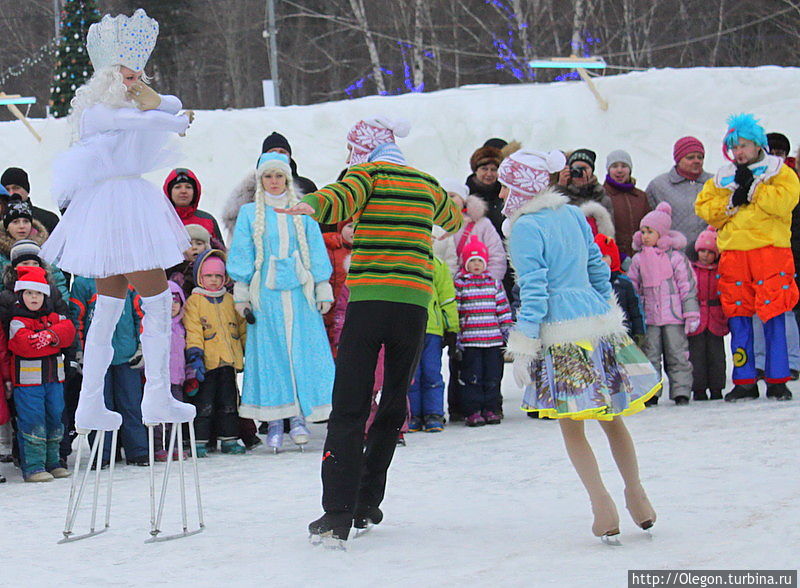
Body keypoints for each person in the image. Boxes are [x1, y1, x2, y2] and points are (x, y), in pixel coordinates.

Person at [278, 116, 462, 544]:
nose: (349, 157)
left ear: (364, 148)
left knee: (350, 404)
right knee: (393, 404)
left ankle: (338, 512)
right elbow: (452, 218)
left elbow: (343, 195)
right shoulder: (426, 182)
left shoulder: (370, 173)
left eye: (351, 149)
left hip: (371, 302)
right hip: (414, 307)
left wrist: (315, 205)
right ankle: (366, 504)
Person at [40, 9, 197, 439]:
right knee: (156, 299)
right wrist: (168, 115)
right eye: (128, 74)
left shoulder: (118, 105)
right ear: (110, 74)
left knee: (109, 307)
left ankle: (95, 401)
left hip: (120, 203)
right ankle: (153, 395)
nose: (134, 81)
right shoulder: (98, 113)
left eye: (137, 74)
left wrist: (155, 100)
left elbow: (167, 108)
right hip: (119, 206)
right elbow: (152, 118)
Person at [505, 147, 660, 543]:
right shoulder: (573, 214)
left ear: (521, 187)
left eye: (507, 188)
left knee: (573, 426)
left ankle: (601, 505)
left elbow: (534, 290)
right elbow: (597, 267)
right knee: (611, 417)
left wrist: (523, 343)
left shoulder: (525, 227)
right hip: (596, 324)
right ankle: (637, 494)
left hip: (562, 331)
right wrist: (604, 309)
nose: (503, 197)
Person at [227, 152, 334, 453]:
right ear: (260, 181)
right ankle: (276, 421)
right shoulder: (249, 213)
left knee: (301, 353)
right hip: (267, 295)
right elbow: (242, 252)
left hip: (300, 293)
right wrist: (242, 291)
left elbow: (314, 248)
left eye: (279, 177)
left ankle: (299, 418)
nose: (274, 182)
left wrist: (322, 285)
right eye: (268, 177)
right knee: (272, 356)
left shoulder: (302, 211)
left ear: (287, 180)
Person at [695, 113, 800, 402]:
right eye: (734, 146)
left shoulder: (779, 172)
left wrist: (753, 188)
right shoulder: (723, 176)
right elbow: (705, 208)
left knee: (774, 313)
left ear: (757, 145)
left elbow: (784, 203)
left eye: (744, 145)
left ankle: (778, 378)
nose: (739, 151)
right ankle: (744, 379)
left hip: (771, 253)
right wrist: (732, 199)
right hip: (734, 255)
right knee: (738, 316)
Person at [4, 266, 75, 482]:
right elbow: (24, 345)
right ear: (20, 295)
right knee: (33, 421)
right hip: (27, 384)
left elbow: (69, 332)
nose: (33, 298)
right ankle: (34, 467)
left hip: (54, 379)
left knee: (55, 419)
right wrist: (54, 339)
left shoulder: (55, 316)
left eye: (38, 293)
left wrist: (48, 336)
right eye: (28, 293)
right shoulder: (17, 321)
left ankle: (53, 463)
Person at [69, 276, 149, 466]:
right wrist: (79, 350)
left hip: (126, 355)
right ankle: (102, 454)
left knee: (131, 404)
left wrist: (142, 345)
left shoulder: (130, 278)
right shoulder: (83, 282)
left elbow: (141, 313)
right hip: (97, 358)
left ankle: (138, 451)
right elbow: (77, 317)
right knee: (100, 404)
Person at [628, 203, 699, 405]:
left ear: (662, 233)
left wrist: (691, 313)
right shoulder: (638, 260)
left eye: (650, 231)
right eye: (643, 231)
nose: (645, 236)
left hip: (673, 316)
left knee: (678, 354)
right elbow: (633, 287)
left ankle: (681, 391)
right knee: (650, 354)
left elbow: (688, 286)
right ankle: (651, 392)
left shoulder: (676, 258)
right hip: (650, 317)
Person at [183, 249, 246, 457]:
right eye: (209, 276)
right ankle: (200, 441)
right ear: (200, 277)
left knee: (229, 402)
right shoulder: (195, 301)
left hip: (228, 360)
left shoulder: (230, 300)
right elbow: (193, 329)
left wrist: (247, 350)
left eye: (218, 276)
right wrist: (195, 354)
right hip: (207, 362)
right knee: (204, 403)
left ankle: (229, 439)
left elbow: (240, 326)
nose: (213, 280)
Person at [454, 236, 512, 426]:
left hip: (493, 341)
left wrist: (507, 333)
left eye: (480, 260)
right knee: (472, 377)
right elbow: (458, 312)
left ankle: (491, 408)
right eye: (472, 261)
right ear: (466, 263)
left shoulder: (493, 283)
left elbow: (503, 310)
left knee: (493, 376)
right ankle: (472, 410)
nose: (477, 265)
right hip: (471, 341)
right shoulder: (461, 283)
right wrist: (457, 337)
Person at [222, 131, 319, 237]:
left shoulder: (306, 186)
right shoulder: (249, 189)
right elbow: (236, 224)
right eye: (272, 151)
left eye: (282, 152)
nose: (277, 155)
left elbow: (318, 221)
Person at [407, 256, 458, 433]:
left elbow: (446, 297)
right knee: (412, 375)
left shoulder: (436, 263)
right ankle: (413, 414)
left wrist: (451, 327)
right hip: (408, 328)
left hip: (432, 328)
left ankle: (434, 413)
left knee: (431, 371)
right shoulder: (402, 260)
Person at [646, 137, 713, 258]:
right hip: (670, 258)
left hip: (706, 259)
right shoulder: (659, 185)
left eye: (700, 157)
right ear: (678, 159)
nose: (697, 161)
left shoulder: (714, 184)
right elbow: (647, 223)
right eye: (690, 157)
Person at [688, 226, 728, 401]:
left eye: (710, 252)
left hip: (715, 318)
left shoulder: (721, 271)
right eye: (702, 251)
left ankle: (717, 387)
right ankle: (699, 388)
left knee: (716, 355)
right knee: (696, 355)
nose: (705, 255)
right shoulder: (691, 270)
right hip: (697, 317)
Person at [594, 234, 645, 341]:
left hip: (625, 334)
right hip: (602, 335)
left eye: (604, 256)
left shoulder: (624, 284)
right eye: (597, 257)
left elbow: (634, 309)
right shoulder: (591, 284)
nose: (600, 260)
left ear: (613, 257)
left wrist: (639, 331)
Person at [603, 150, 651, 259]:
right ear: (608, 170)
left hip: (641, 258)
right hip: (612, 260)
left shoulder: (640, 197)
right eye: (615, 166)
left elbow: (649, 226)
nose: (619, 170)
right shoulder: (601, 195)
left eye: (624, 166)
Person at [163, 168, 225, 249]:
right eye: (177, 187)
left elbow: (220, 254)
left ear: (195, 192)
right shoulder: (159, 221)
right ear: (169, 191)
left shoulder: (208, 220)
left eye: (188, 187)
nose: (183, 191)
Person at [556, 148, 614, 217]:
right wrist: (560, 187)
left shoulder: (601, 196)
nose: (579, 171)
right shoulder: (563, 194)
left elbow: (607, 226)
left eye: (584, 168)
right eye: (575, 168)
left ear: (592, 171)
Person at [1, 167, 60, 235]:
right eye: (7, 189)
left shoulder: (48, 220)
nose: (11, 193)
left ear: (27, 189)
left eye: (16, 188)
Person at [465, 144, 505, 236]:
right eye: (484, 169)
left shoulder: (503, 193)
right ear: (475, 170)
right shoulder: (466, 194)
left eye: (493, 169)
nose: (489, 174)